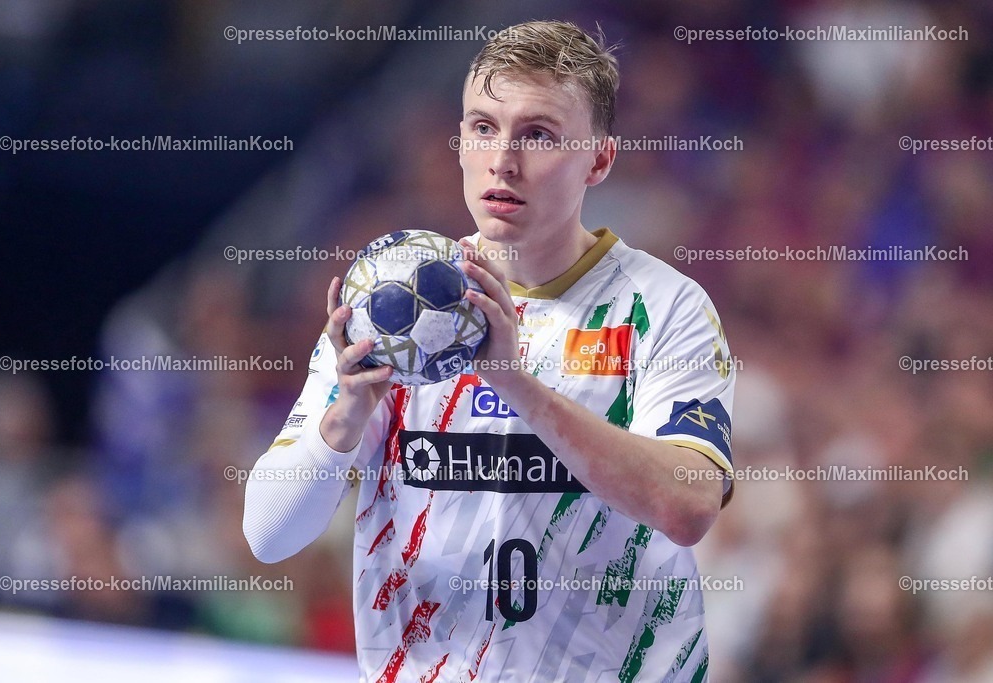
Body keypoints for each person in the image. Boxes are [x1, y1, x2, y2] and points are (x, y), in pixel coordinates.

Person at [244, 20, 735, 682]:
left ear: (600, 159)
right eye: (482, 127)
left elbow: (688, 506)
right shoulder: (391, 303)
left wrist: (517, 384)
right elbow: (269, 536)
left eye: (538, 134)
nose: (503, 159)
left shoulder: (664, 306)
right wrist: (343, 419)